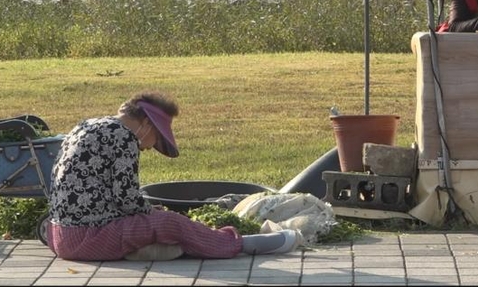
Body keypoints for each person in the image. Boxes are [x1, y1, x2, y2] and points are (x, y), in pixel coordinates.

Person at [47, 91, 300, 261]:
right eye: (154, 139)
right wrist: (150, 211)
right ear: (147, 124)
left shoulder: (87, 125)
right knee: (168, 222)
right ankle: (237, 243)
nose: (147, 147)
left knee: (155, 221)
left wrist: (143, 209)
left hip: (58, 233)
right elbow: (125, 198)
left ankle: (190, 244)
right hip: (87, 237)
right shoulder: (124, 137)